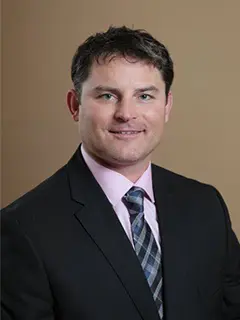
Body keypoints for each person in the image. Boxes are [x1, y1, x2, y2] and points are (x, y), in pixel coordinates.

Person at [1, 26, 240, 320]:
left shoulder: (206, 205)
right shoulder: (22, 229)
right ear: (75, 106)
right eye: (107, 96)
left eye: (145, 96)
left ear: (167, 106)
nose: (126, 113)